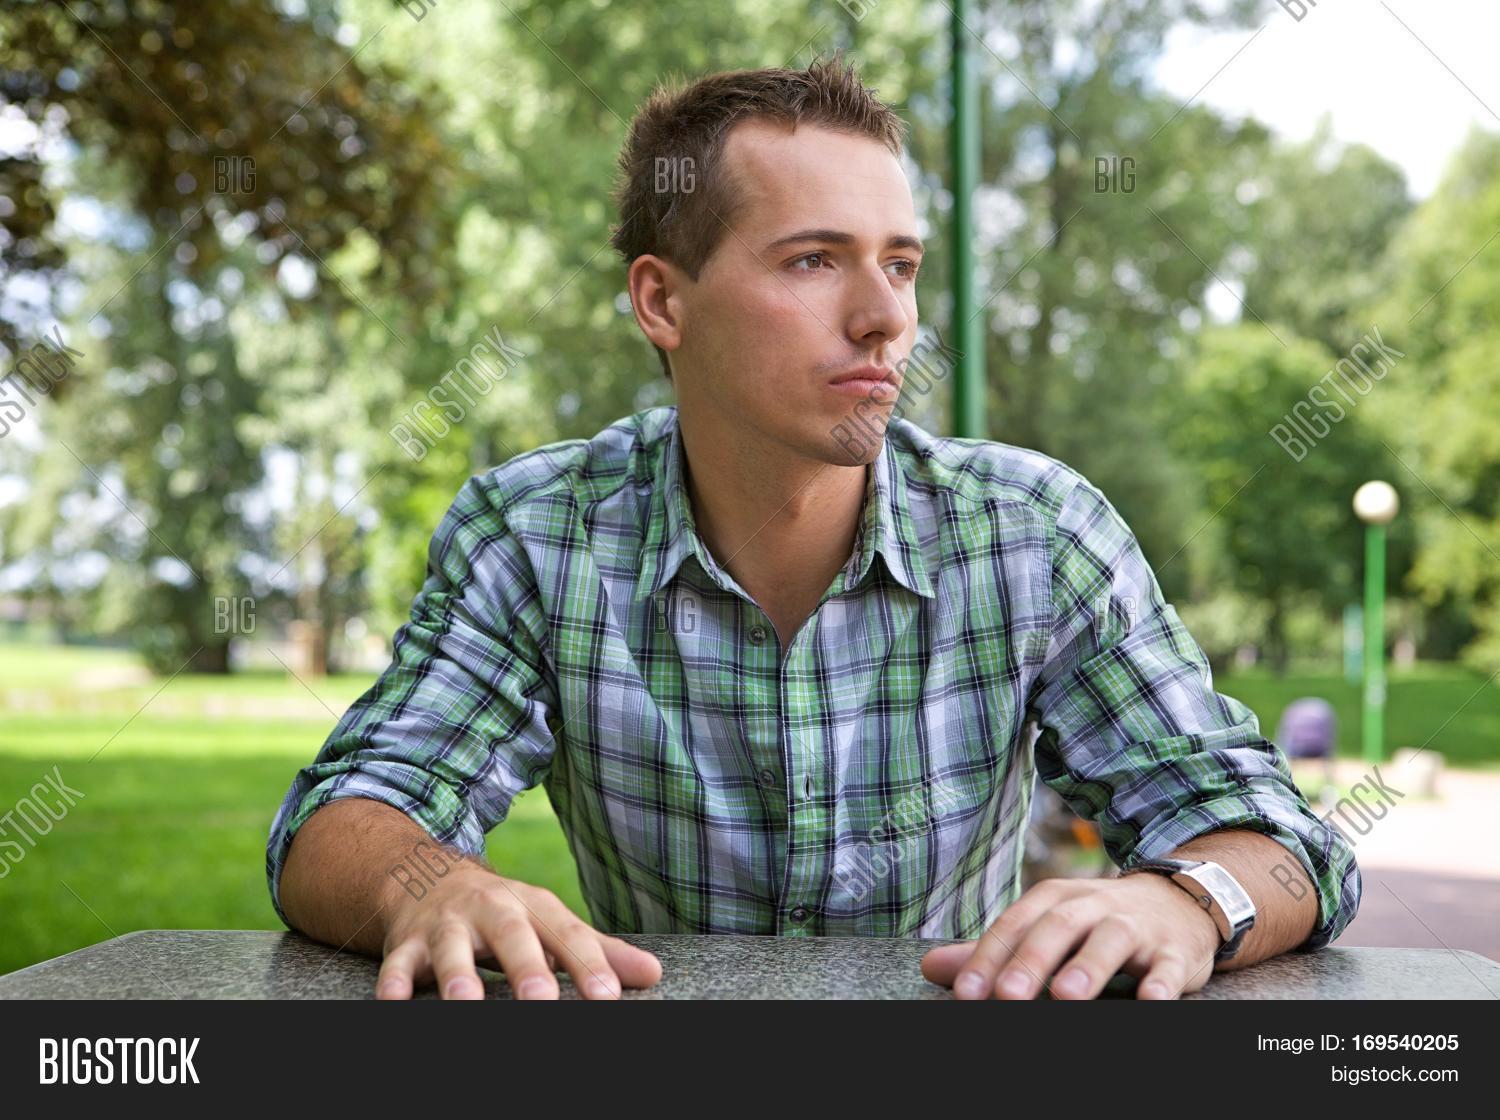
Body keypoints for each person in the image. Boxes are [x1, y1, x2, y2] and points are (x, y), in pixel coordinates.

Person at [266, 57, 1360, 1001]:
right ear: (662, 302)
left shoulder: (1035, 531)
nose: (887, 316)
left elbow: (1284, 842)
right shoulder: (535, 534)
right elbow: (338, 822)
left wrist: (1185, 901)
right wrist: (438, 886)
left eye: (901, 263)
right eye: (813, 260)